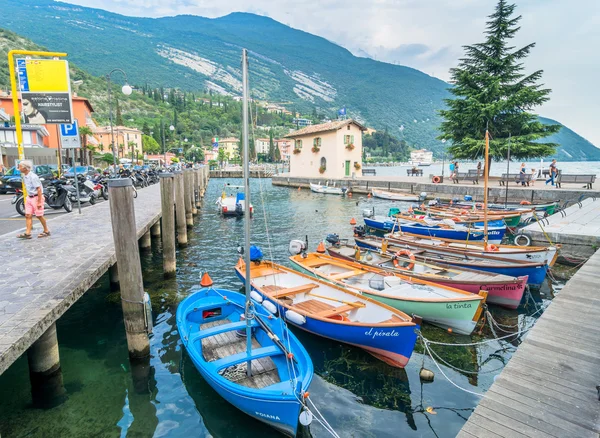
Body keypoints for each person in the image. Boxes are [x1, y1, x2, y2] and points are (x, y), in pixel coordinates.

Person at [17, 160, 50, 239]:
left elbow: (38, 189)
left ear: (25, 168)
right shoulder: (25, 176)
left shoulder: (33, 177)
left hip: (36, 197)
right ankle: (28, 233)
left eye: (20, 167)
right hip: (29, 197)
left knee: (39, 215)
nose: (19, 168)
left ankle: (46, 230)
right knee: (28, 215)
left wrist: (39, 202)